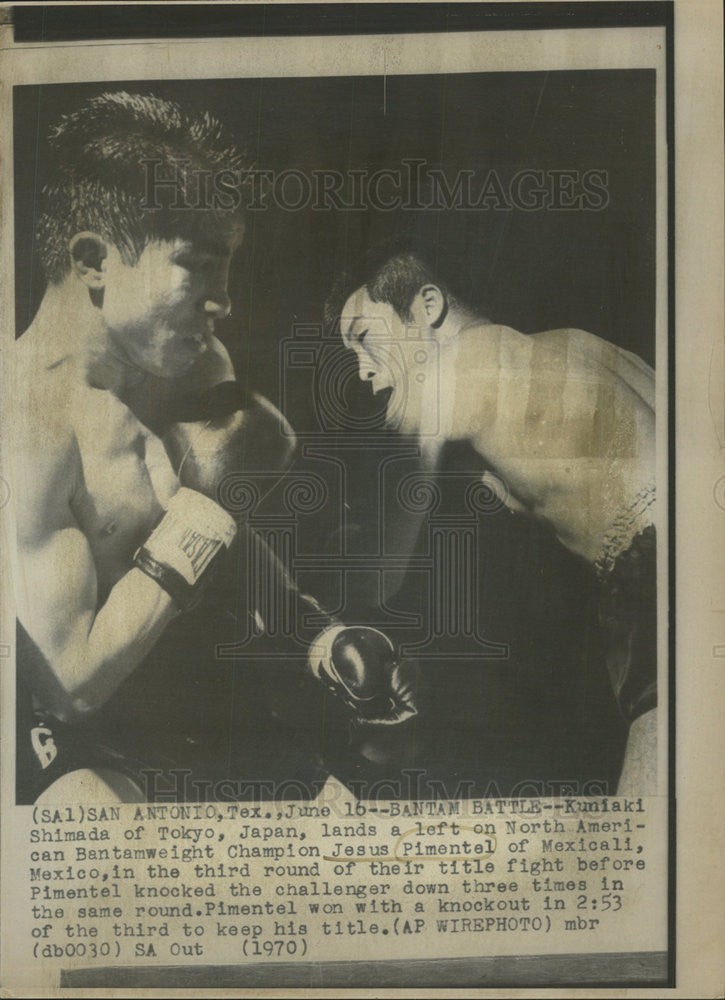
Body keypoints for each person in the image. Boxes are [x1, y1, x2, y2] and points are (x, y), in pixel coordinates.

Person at [12, 92, 417, 804]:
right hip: (74, 734)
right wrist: (201, 512)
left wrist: (316, 635)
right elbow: (69, 685)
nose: (222, 299)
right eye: (196, 265)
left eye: (225, 266)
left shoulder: (190, 365)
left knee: (359, 836)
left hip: (208, 710)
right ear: (93, 260)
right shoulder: (29, 425)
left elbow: (227, 536)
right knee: (91, 830)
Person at [329, 241, 658, 795]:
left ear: (427, 306)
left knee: (645, 836)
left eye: (363, 338)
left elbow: (380, 573)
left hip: (660, 570)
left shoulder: (439, 379)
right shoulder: (580, 348)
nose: (361, 370)